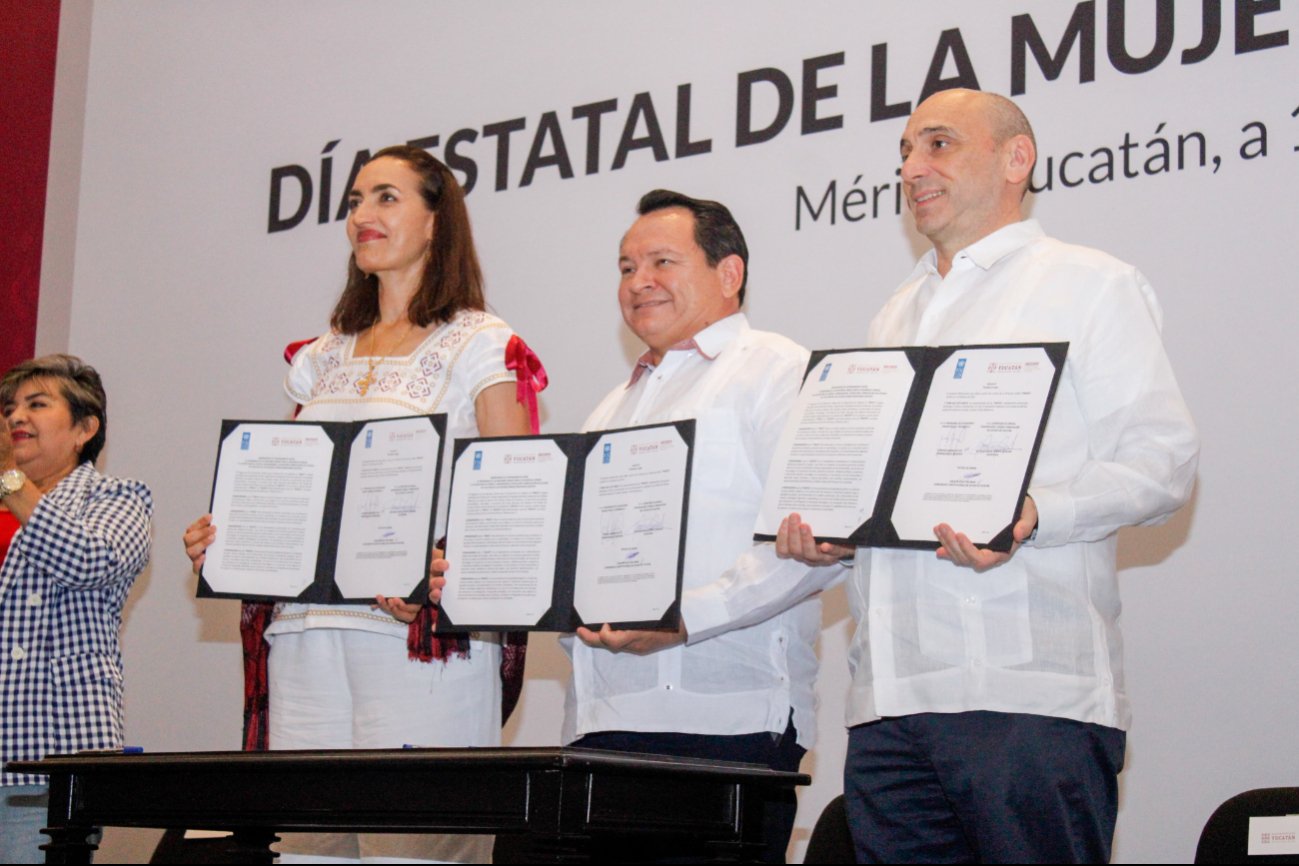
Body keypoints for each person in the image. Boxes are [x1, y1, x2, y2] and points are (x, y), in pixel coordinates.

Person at [778, 89, 1200, 862]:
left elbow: (1162, 461)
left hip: (1024, 700)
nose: (911, 168)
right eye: (904, 152)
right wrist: (834, 535)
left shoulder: (1089, 284)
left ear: (1016, 159)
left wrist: (1036, 510)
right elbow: (890, 497)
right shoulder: (892, 315)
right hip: (889, 704)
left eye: (936, 145)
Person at [183, 145, 544, 864]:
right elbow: (291, 488)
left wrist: (448, 582)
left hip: (414, 646)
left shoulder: (482, 345)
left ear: (437, 222)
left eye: (385, 197)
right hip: (305, 638)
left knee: (410, 848)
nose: (361, 216)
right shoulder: (322, 355)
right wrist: (230, 540)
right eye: (353, 201)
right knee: (309, 851)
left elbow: (517, 500)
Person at [562, 189, 830, 863]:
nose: (638, 282)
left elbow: (820, 545)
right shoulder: (607, 410)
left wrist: (687, 617)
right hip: (600, 731)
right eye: (625, 267)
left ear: (728, 273)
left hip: (726, 731)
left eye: (661, 261)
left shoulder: (778, 371)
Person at [0, 354, 153, 864]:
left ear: (85, 428)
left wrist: (10, 479)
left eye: (36, 405)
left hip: (46, 763)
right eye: (9, 407)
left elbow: (87, 560)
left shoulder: (118, 498)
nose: (16, 417)